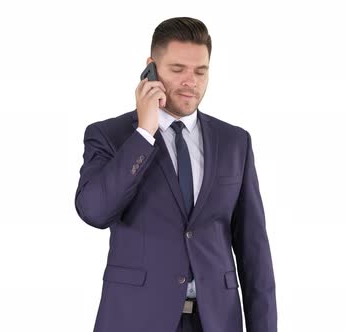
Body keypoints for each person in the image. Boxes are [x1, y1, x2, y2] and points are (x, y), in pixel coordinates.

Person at [74, 17, 277, 332]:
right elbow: (94, 211)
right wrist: (144, 133)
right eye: (177, 69)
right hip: (135, 319)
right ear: (151, 69)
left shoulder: (235, 142)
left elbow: (254, 251)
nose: (190, 82)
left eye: (200, 71)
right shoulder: (110, 136)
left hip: (215, 322)